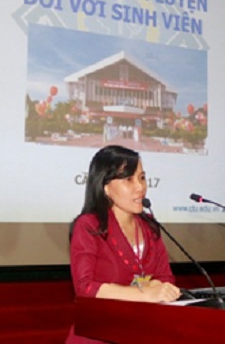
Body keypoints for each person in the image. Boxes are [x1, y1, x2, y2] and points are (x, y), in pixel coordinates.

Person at [66, 145, 181, 343]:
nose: (140, 187)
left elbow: (165, 277)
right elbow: (85, 287)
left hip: (140, 331)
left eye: (142, 178)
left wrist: (159, 287)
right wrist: (144, 293)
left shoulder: (150, 227)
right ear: (105, 186)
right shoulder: (89, 225)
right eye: (129, 179)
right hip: (98, 334)